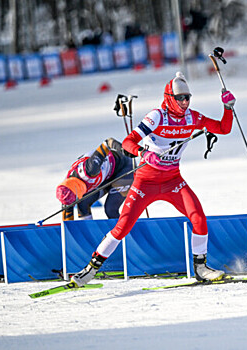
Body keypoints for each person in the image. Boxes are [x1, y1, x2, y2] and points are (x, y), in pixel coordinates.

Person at [72, 72, 236, 286]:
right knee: (122, 227)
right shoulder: (157, 116)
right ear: (169, 97)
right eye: (180, 98)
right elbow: (128, 141)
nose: (185, 102)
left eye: (188, 97)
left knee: (198, 217)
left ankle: (201, 268)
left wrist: (228, 108)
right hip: (145, 183)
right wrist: (143, 152)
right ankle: (90, 269)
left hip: (172, 181)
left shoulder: (192, 118)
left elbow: (224, 128)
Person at [56, 138, 134, 221]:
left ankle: (125, 232)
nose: (73, 203)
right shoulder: (65, 192)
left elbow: (108, 142)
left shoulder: (90, 169)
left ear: (78, 190)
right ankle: (88, 231)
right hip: (105, 177)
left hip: (123, 168)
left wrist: (124, 149)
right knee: (82, 205)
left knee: (110, 209)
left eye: (76, 198)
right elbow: (68, 223)